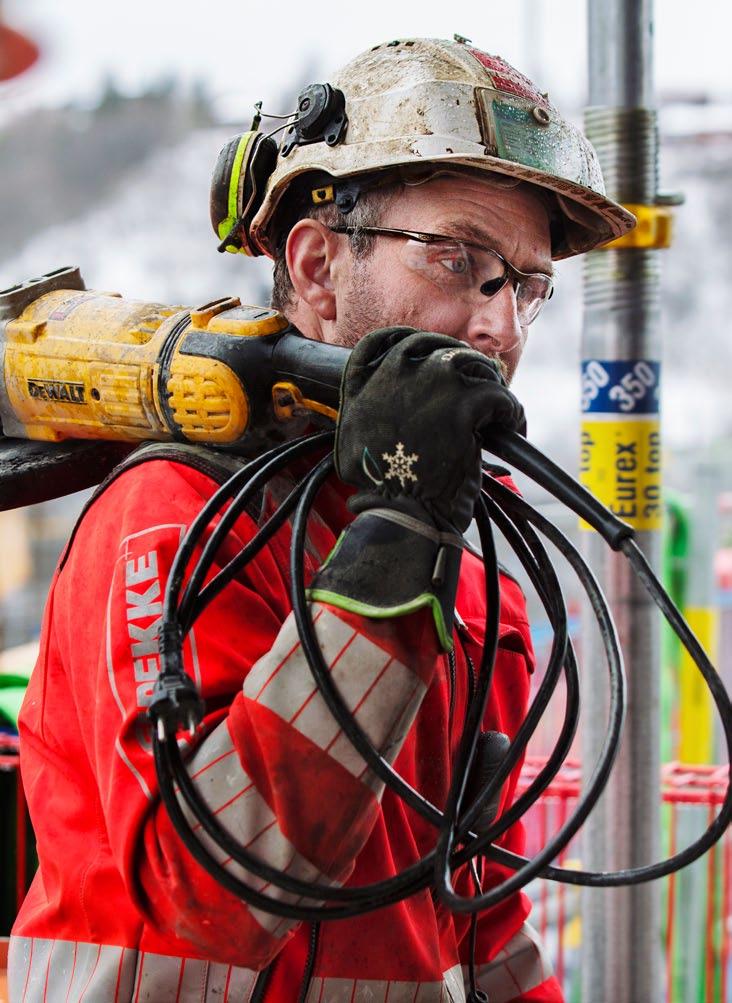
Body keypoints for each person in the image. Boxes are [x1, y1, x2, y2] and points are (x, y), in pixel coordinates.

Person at [8, 37, 634, 1002]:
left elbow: (479, 929)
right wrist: (395, 545)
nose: (499, 328)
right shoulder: (170, 522)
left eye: (524, 284)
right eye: (459, 259)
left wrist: (412, 530)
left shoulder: (476, 581)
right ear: (315, 265)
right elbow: (211, 890)